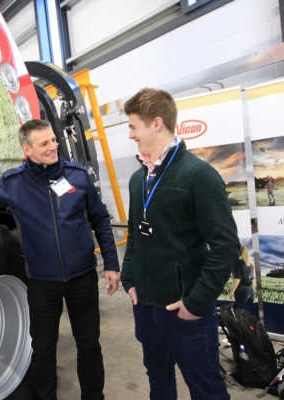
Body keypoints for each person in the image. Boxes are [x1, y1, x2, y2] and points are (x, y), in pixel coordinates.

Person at [0, 119, 120, 400]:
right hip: (42, 284)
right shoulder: (14, 184)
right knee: (43, 350)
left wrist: (111, 264)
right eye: (44, 143)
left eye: (53, 140)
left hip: (82, 278)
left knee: (89, 345)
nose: (53, 147)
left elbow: (101, 220)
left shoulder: (78, 176)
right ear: (27, 150)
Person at [120, 88, 240, 400]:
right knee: (158, 382)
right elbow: (135, 234)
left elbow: (226, 246)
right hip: (146, 308)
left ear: (156, 123)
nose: (130, 134)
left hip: (184, 312)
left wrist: (196, 304)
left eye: (133, 126)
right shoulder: (137, 180)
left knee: (207, 389)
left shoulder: (199, 175)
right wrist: (129, 278)